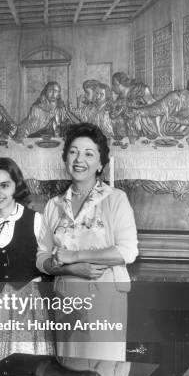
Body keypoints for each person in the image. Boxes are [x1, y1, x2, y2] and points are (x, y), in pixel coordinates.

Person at [36, 122, 138, 362]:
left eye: (89, 154)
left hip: (104, 299)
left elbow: (127, 251)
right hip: (65, 299)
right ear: (65, 158)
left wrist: (74, 256)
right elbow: (41, 259)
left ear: (101, 163)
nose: (79, 159)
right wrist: (70, 269)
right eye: (73, 152)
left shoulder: (115, 200)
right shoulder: (54, 205)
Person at [0, 158, 54, 376]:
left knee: (27, 372)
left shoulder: (36, 221)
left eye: (5, 185)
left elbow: (49, 262)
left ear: (17, 186)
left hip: (27, 305)